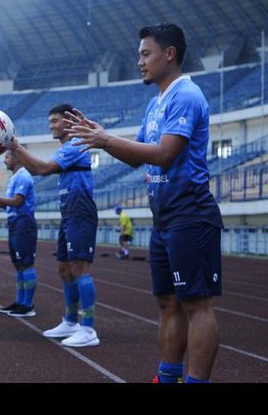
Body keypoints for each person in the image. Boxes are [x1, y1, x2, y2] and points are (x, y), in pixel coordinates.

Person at [65, 23, 223, 382]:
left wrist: (106, 140)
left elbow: (165, 154)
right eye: (139, 54)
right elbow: (138, 157)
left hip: (190, 212)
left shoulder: (186, 95)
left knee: (197, 304)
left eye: (145, 53)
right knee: (168, 303)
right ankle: (167, 378)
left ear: (169, 54)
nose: (139, 61)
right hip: (164, 217)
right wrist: (102, 137)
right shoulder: (156, 104)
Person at [7, 104, 99, 347]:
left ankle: (88, 328)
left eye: (56, 121)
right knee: (64, 268)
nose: (51, 126)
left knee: (79, 268)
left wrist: (16, 147)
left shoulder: (76, 145)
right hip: (69, 213)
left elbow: (43, 169)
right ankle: (70, 321)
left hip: (80, 213)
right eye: (50, 121)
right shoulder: (68, 148)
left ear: (69, 122)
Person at [0, 150, 37, 317]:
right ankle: (20, 301)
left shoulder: (23, 176)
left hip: (23, 222)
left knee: (26, 263)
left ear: (16, 158)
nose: (4, 161)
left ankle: (28, 304)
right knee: (18, 264)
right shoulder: (14, 177)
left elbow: (18, 202)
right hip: (15, 222)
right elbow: (9, 205)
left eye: (7, 157)